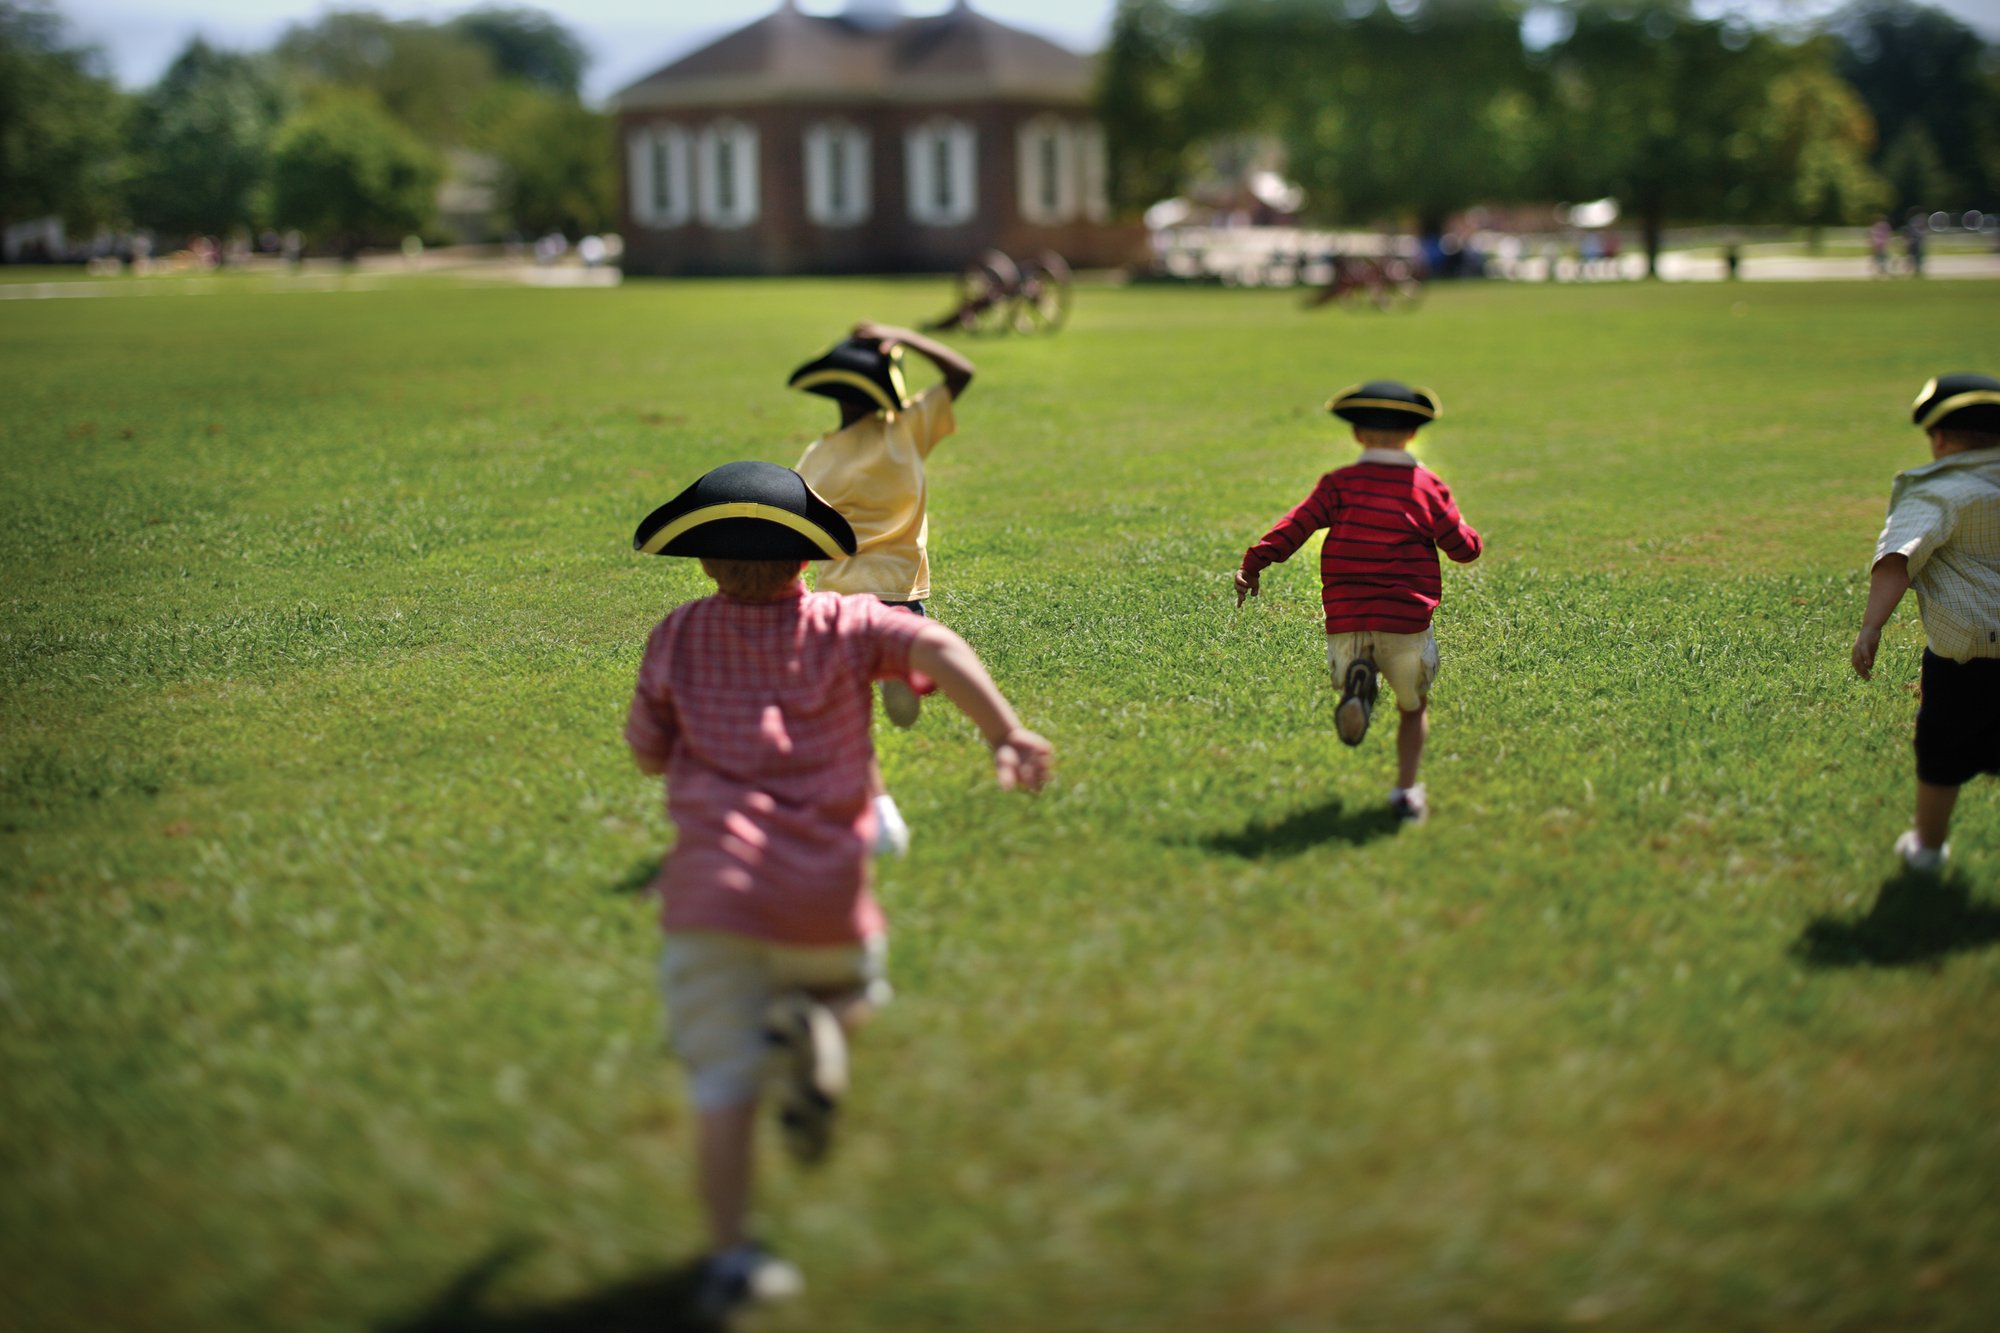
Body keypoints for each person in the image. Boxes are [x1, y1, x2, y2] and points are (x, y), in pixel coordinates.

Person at [626, 460, 1051, 1322]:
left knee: (723, 1087)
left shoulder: (675, 634)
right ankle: (817, 1022)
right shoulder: (849, 623)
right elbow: (935, 644)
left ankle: (730, 1260)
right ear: (809, 560)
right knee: (849, 989)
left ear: (705, 562)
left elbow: (646, 749)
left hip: (710, 898)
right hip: (821, 891)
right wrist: (1004, 729)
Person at [1233, 381, 1483, 823]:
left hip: (1347, 619)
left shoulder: (1338, 484)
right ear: (1412, 435)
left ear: (1356, 435)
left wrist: (1255, 562)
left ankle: (1358, 685)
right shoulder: (1427, 487)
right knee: (1413, 707)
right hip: (1405, 620)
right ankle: (1405, 792)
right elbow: (1463, 549)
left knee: (1357, 660)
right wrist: (1468, 534)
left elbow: (1296, 525)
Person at [791, 322, 976, 853]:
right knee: (904, 641)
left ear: (832, 393)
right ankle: (904, 664)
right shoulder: (906, 428)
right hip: (900, 590)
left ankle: (867, 688)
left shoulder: (817, 457)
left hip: (840, 594)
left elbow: (803, 526)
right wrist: (903, 335)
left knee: (842, 695)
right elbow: (962, 373)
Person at [1851, 373, 2000, 873]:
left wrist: (1872, 626)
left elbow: (1898, 558)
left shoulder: (1937, 493)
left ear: (1938, 438)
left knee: (1941, 754)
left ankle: (1928, 851)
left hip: (1969, 659)